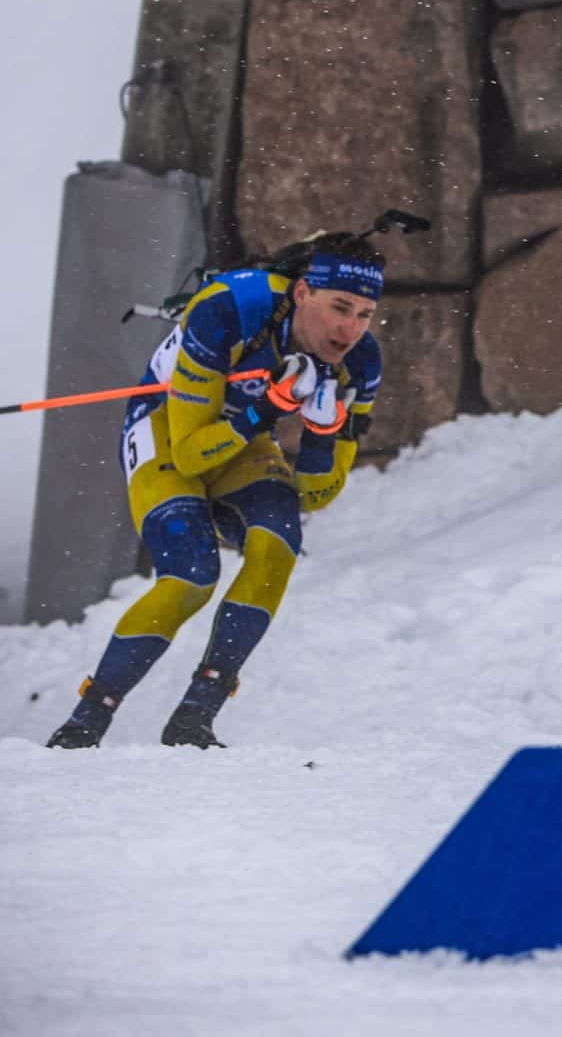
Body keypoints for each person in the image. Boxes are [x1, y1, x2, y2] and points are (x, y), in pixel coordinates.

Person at [46, 231, 387, 749]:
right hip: (168, 429)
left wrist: (321, 435)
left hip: (241, 441)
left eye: (365, 314)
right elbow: (187, 453)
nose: (350, 329)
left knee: (278, 542)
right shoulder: (229, 309)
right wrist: (266, 410)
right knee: (191, 575)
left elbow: (315, 496)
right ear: (301, 295)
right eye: (340, 307)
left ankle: (194, 718)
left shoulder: (360, 364)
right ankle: (84, 724)